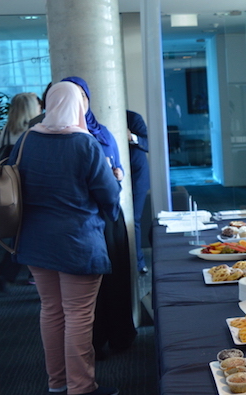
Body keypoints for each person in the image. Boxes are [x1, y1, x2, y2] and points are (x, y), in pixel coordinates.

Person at [11, 81, 121, 395]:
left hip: (35, 241)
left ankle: (57, 380)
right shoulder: (85, 144)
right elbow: (108, 195)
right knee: (77, 315)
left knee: (51, 311)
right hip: (77, 242)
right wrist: (116, 180)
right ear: (78, 106)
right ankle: (81, 387)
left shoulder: (27, 139)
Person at [62, 76, 137, 353]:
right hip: (82, 219)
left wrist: (117, 174)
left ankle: (119, 336)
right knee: (88, 289)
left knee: (115, 278)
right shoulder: (58, 137)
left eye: (83, 96)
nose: (79, 102)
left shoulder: (102, 132)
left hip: (109, 215)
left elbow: (118, 167)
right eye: (73, 96)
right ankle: (95, 341)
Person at [0, 92, 42, 292]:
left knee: (21, 232)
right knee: (30, 231)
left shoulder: (5, 130)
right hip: (29, 187)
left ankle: (8, 273)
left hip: (8, 188)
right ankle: (25, 273)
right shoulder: (35, 131)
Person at [127, 109, 150, 274]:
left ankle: (138, 262)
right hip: (111, 175)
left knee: (134, 218)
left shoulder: (133, 118)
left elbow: (148, 144)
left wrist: (132, 137)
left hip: (137, 176)